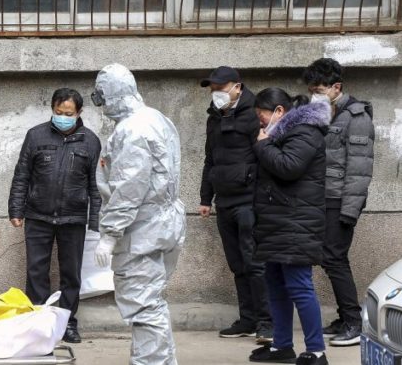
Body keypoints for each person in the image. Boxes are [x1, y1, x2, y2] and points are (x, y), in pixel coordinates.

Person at [91, 63, 186, 365]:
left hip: (141, 230)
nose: (101, 105)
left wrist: (108, 235)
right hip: (162, 223)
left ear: (112, 95)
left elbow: (128, 190)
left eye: (100, 97)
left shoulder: (132, 131)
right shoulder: (156, 118)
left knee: (143, 306)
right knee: (152, 304)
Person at [8, 88, 102, 343]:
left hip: (73, 218)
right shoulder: (36, 136)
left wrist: (94, 222)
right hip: (38, 216)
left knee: (71, 274)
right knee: (36, 271)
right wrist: (16, 209)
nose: (62, 117)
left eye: (68, 113)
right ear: (52, 110)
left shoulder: (90, 141)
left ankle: (68, 322)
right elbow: (22, 175)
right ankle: (39, 321)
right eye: (58, 113)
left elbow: (96, 184)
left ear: (79, 113)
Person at [248, 88, 330, 365]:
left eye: (262, 116)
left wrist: (263, 145)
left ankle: (316, 351)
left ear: (280, 112)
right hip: (278, 221)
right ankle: (282, 346)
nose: (260, 123)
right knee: (275, 284)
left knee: (299, 286)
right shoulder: (281, 133)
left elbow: (289, 167)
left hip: (296, 222)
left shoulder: (306, 131)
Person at [303, 58, 374, 347]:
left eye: (319, 89)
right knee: (329, 259)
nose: (314, 94)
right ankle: (345, 318)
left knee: (335, 258)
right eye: (311, 90)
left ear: (336, 87)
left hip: (340, 201)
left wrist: (349, 210)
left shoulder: (356, 117)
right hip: (322, 198)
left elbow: (360, 169)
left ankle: (354, 323)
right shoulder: (323, 113)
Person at [198, 66, 272, 343]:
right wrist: (206, 198)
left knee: (255, 263)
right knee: (237, 265)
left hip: (249, 201)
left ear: (237, 87)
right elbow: (210, 159)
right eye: (212, 88)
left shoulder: (255, 114)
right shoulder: (214, 117)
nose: (216, 92)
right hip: (224, 201)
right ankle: (248, 319)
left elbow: (266, 155)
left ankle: (267, 322)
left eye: (221, 86)